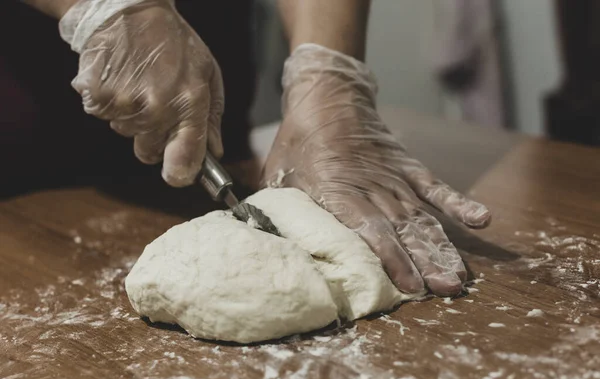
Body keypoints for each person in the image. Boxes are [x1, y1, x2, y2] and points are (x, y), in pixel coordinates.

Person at [6, 0, 491, 297]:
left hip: (203, 58)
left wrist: (328, 73)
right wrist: (100, 6)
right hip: (20, 97)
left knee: (201, 140)